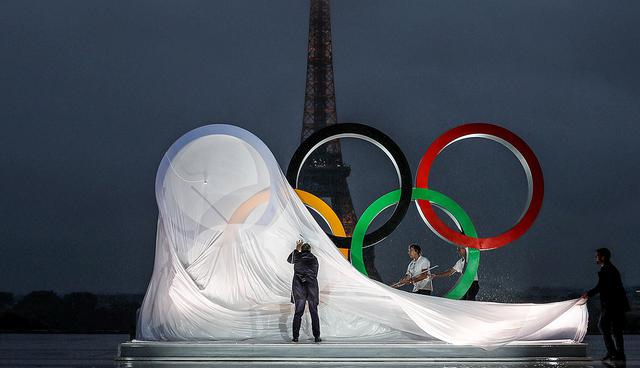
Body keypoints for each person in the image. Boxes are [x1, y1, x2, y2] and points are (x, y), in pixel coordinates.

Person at [581, 248, 630, 362]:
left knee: (603, 326)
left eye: (597, 256)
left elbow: (601, 286)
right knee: (615, 329)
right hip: (616, 304)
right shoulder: (610, 269)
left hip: (611, 304)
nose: (595, 258)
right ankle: (618, 353)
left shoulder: (606, 270)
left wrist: (588, 294)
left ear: (603, 257)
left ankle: (613, 352)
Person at [287, 240, 321, 343]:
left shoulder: (298, 256)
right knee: (314, 312)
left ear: (302, 249)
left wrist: (297, 248)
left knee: (298, 312)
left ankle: (295, 337)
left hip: (299, 288)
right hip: (311, 288)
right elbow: (315, 273)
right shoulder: (314, 259)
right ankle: (317, 336)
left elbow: (289, 260)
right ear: (310, 250)